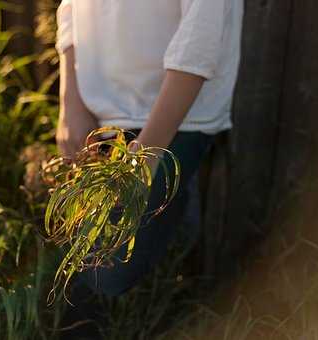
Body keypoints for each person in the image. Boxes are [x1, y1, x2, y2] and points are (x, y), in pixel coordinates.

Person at [55, 0, 244, 299]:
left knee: (106, 274)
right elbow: (70, 8)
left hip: (176, 118)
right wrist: (71, 104)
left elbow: (199, 41)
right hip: (99, 110)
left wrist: (147, 152)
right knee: (63, 258)